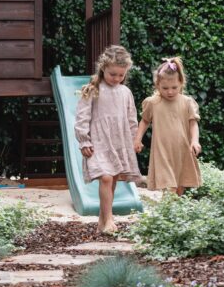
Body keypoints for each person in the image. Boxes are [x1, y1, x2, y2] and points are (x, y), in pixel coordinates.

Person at [75, 45, 142, 234]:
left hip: (118, 142)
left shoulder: (125, 92)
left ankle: (102, 222)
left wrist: (134, 139)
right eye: (113, 74)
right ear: (103, 68)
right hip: (98, 142)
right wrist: (84, 141)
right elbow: (82, 117)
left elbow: (131, 118)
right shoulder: (92, 90)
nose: (117, 78)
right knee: (105, 177)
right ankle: (109, 218)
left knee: (112, 179)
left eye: (121, 75)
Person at [134, 57, 202, 196]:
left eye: (174, 88)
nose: (170, 92)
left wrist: (195, 140)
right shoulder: (153, 103)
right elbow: (145, 121)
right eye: (165, 88)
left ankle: (172, 213)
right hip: (162, 150)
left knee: (179, 185)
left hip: (182, 149)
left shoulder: (187, 102)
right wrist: (137, 139)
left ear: (181, 83)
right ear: (157, 85)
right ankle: (169, 209)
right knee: (168, 185)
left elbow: (193, 123)